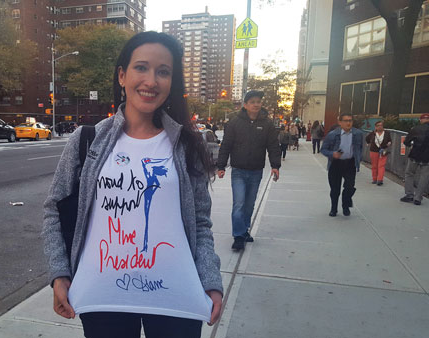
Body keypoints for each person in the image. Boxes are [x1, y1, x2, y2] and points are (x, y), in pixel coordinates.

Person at [42, 31, 223, 338]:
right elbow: (53, 210)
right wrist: (59, 273)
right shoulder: (87, 140)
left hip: (174, 294)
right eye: (141, 67)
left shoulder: (186, 144)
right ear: (122, 76)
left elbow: (201, 223)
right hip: (104, 297)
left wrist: (210, 280)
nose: (151, 81)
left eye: (163, 72)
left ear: (171, 82)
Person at [216, 90, 281, 251]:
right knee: (239, 203)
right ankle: (238, 236)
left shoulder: (267, 124)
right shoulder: (234, 123)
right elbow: (226, 145)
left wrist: (275, 166)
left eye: (258, 101)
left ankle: (244, 230)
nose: (256, 104)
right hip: (238, 170)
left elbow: (273, 146)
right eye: (252, 101)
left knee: (250, 204)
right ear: (245, 105)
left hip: (256, 171)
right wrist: (221, 166)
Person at [320, 113, 364, 217]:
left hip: (350, 163)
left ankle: (346, 204)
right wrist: (332, 154)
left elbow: (360, 147)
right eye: (346, 120)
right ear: (340, 122)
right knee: (335, 189)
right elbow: (323, 149)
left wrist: (358, 158)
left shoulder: (358, 134)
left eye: (350, 120)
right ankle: (333, 209)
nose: (348, 123)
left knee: (350, 186)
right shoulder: (332, 134)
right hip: (336, 163)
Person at [400, 113, 429, 205]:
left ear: (421, 120)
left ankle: (409, 195)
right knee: (424, 177)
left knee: (409, 173)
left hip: (415, 155)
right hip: (427, 158)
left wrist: (411, 145)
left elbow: (406, 141)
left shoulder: (416, 129)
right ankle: (418, 198)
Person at [365, 120, 392, 186]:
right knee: (374, 165)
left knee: (381, 165)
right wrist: (368, 143)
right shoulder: (372, 133)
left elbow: (390, 140)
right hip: (373, 151)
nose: (380, 127)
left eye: (381, 125)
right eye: (378, 126)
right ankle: (374, 179)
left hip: (383, 151)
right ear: (375, 127)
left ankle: (380, 179)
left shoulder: (387, 133)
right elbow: (367, 139)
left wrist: (389, 143)